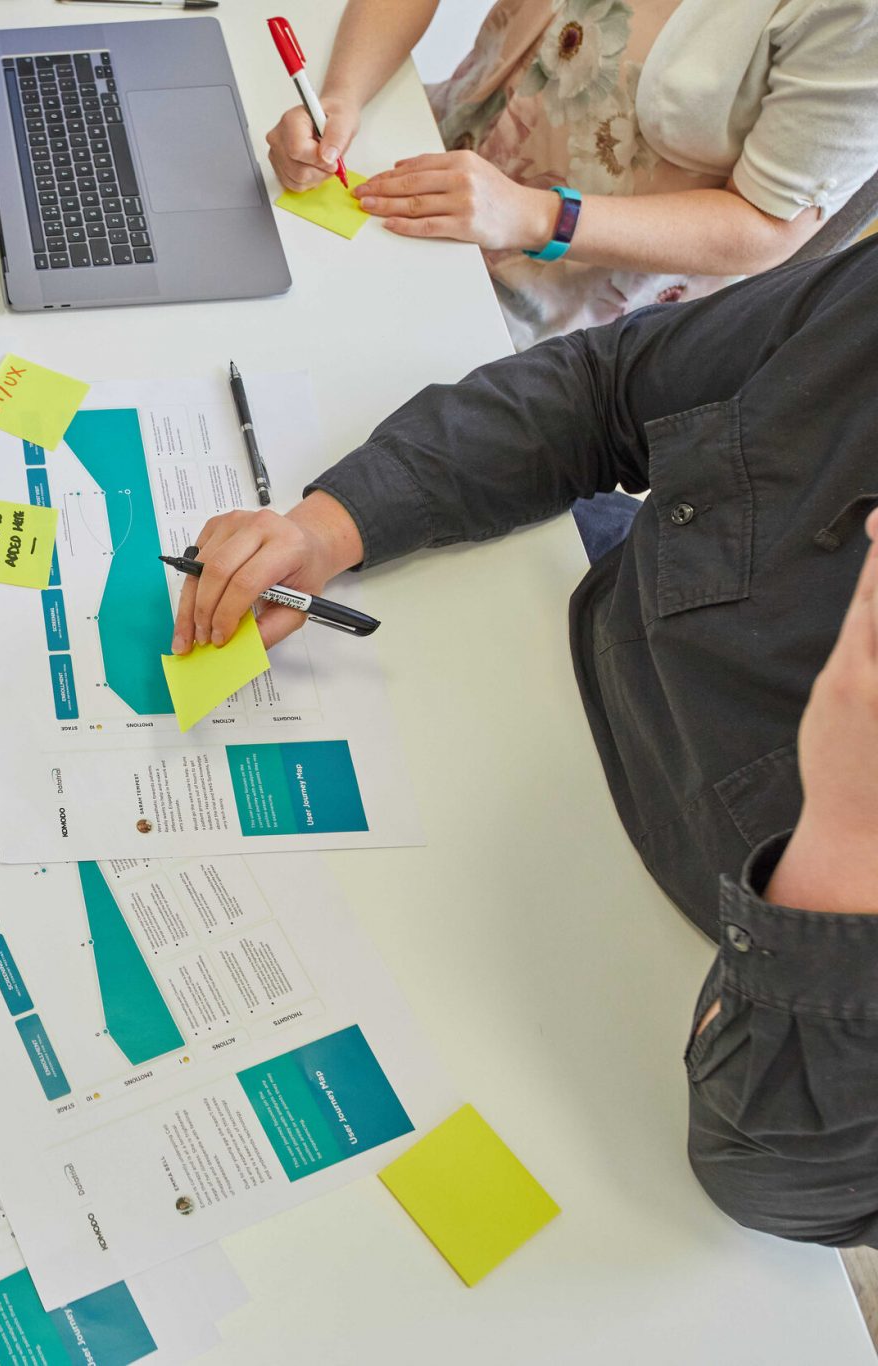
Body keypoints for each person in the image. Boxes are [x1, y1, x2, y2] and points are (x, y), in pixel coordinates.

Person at [170, 237, 878, 1246]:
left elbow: (788, 1192)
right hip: (552, 686)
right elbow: (609, 387)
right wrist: (330, 525)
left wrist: (849, 838)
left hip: (664, 974)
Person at [265, 0, 878, 346]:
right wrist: (342, 95)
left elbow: (768, 224)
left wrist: (532, 215)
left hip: (562, 308)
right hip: (426, 147)